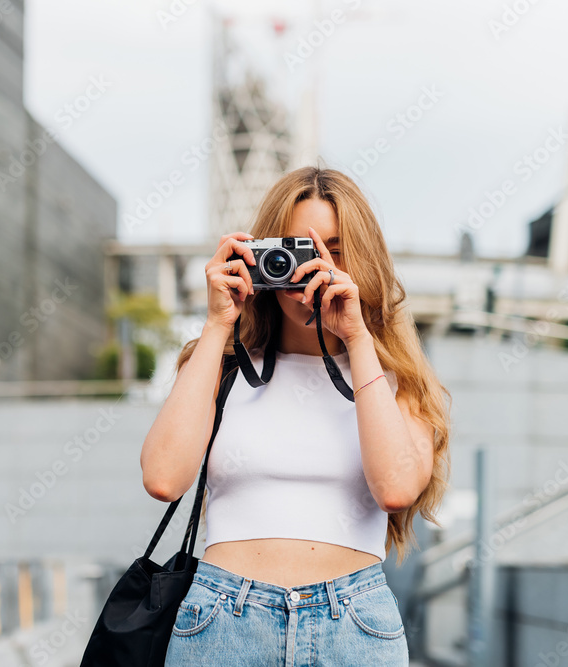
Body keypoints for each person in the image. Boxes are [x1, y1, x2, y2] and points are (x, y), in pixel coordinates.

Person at [140, 166, 452, 665]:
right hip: (223, 622)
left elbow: (396, 490)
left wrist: (356, 338)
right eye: (290, 247)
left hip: (352, 624)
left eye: (331, 248)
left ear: (362, 260)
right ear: (258, 251)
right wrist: (221, 321)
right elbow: (162, 478)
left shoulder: (394, 378)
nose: (307, 265)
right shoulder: (220, 366)